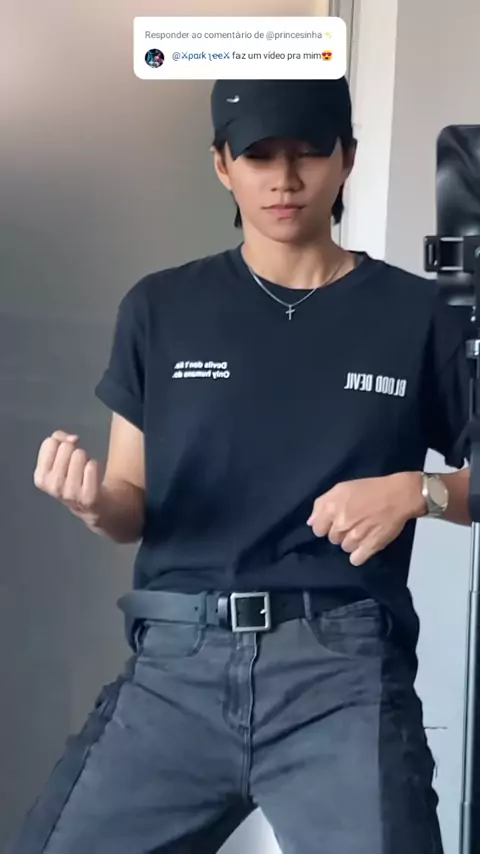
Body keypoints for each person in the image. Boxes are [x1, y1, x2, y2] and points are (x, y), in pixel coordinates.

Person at [6, 77, 472, 854]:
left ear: (347, 159)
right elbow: (128, 500)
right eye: (258, 156)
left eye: (307, 153)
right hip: (176, 668)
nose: (284, 179)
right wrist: (93, 504)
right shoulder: (160, 308)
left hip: (341, 671)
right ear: (222, 165)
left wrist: (419, 491)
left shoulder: (420, 316)